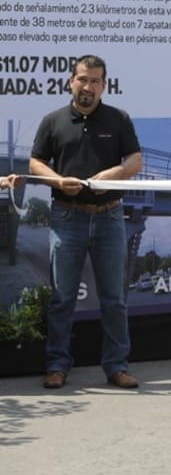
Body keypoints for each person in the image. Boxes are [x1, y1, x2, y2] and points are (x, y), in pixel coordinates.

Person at [29, 54, 144, 389]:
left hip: (109, 216)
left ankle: (117, 366)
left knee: (114, 298)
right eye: (83, 79)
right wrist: (55, 180)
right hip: (66, 217)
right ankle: (57, 365)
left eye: (95, 81)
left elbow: (135, 160)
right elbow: (36, 162)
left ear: (103, 85)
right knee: (63, 297)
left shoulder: (118, 119)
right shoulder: (53, 121)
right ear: (71, 81)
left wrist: (116, 174)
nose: (88, 86)